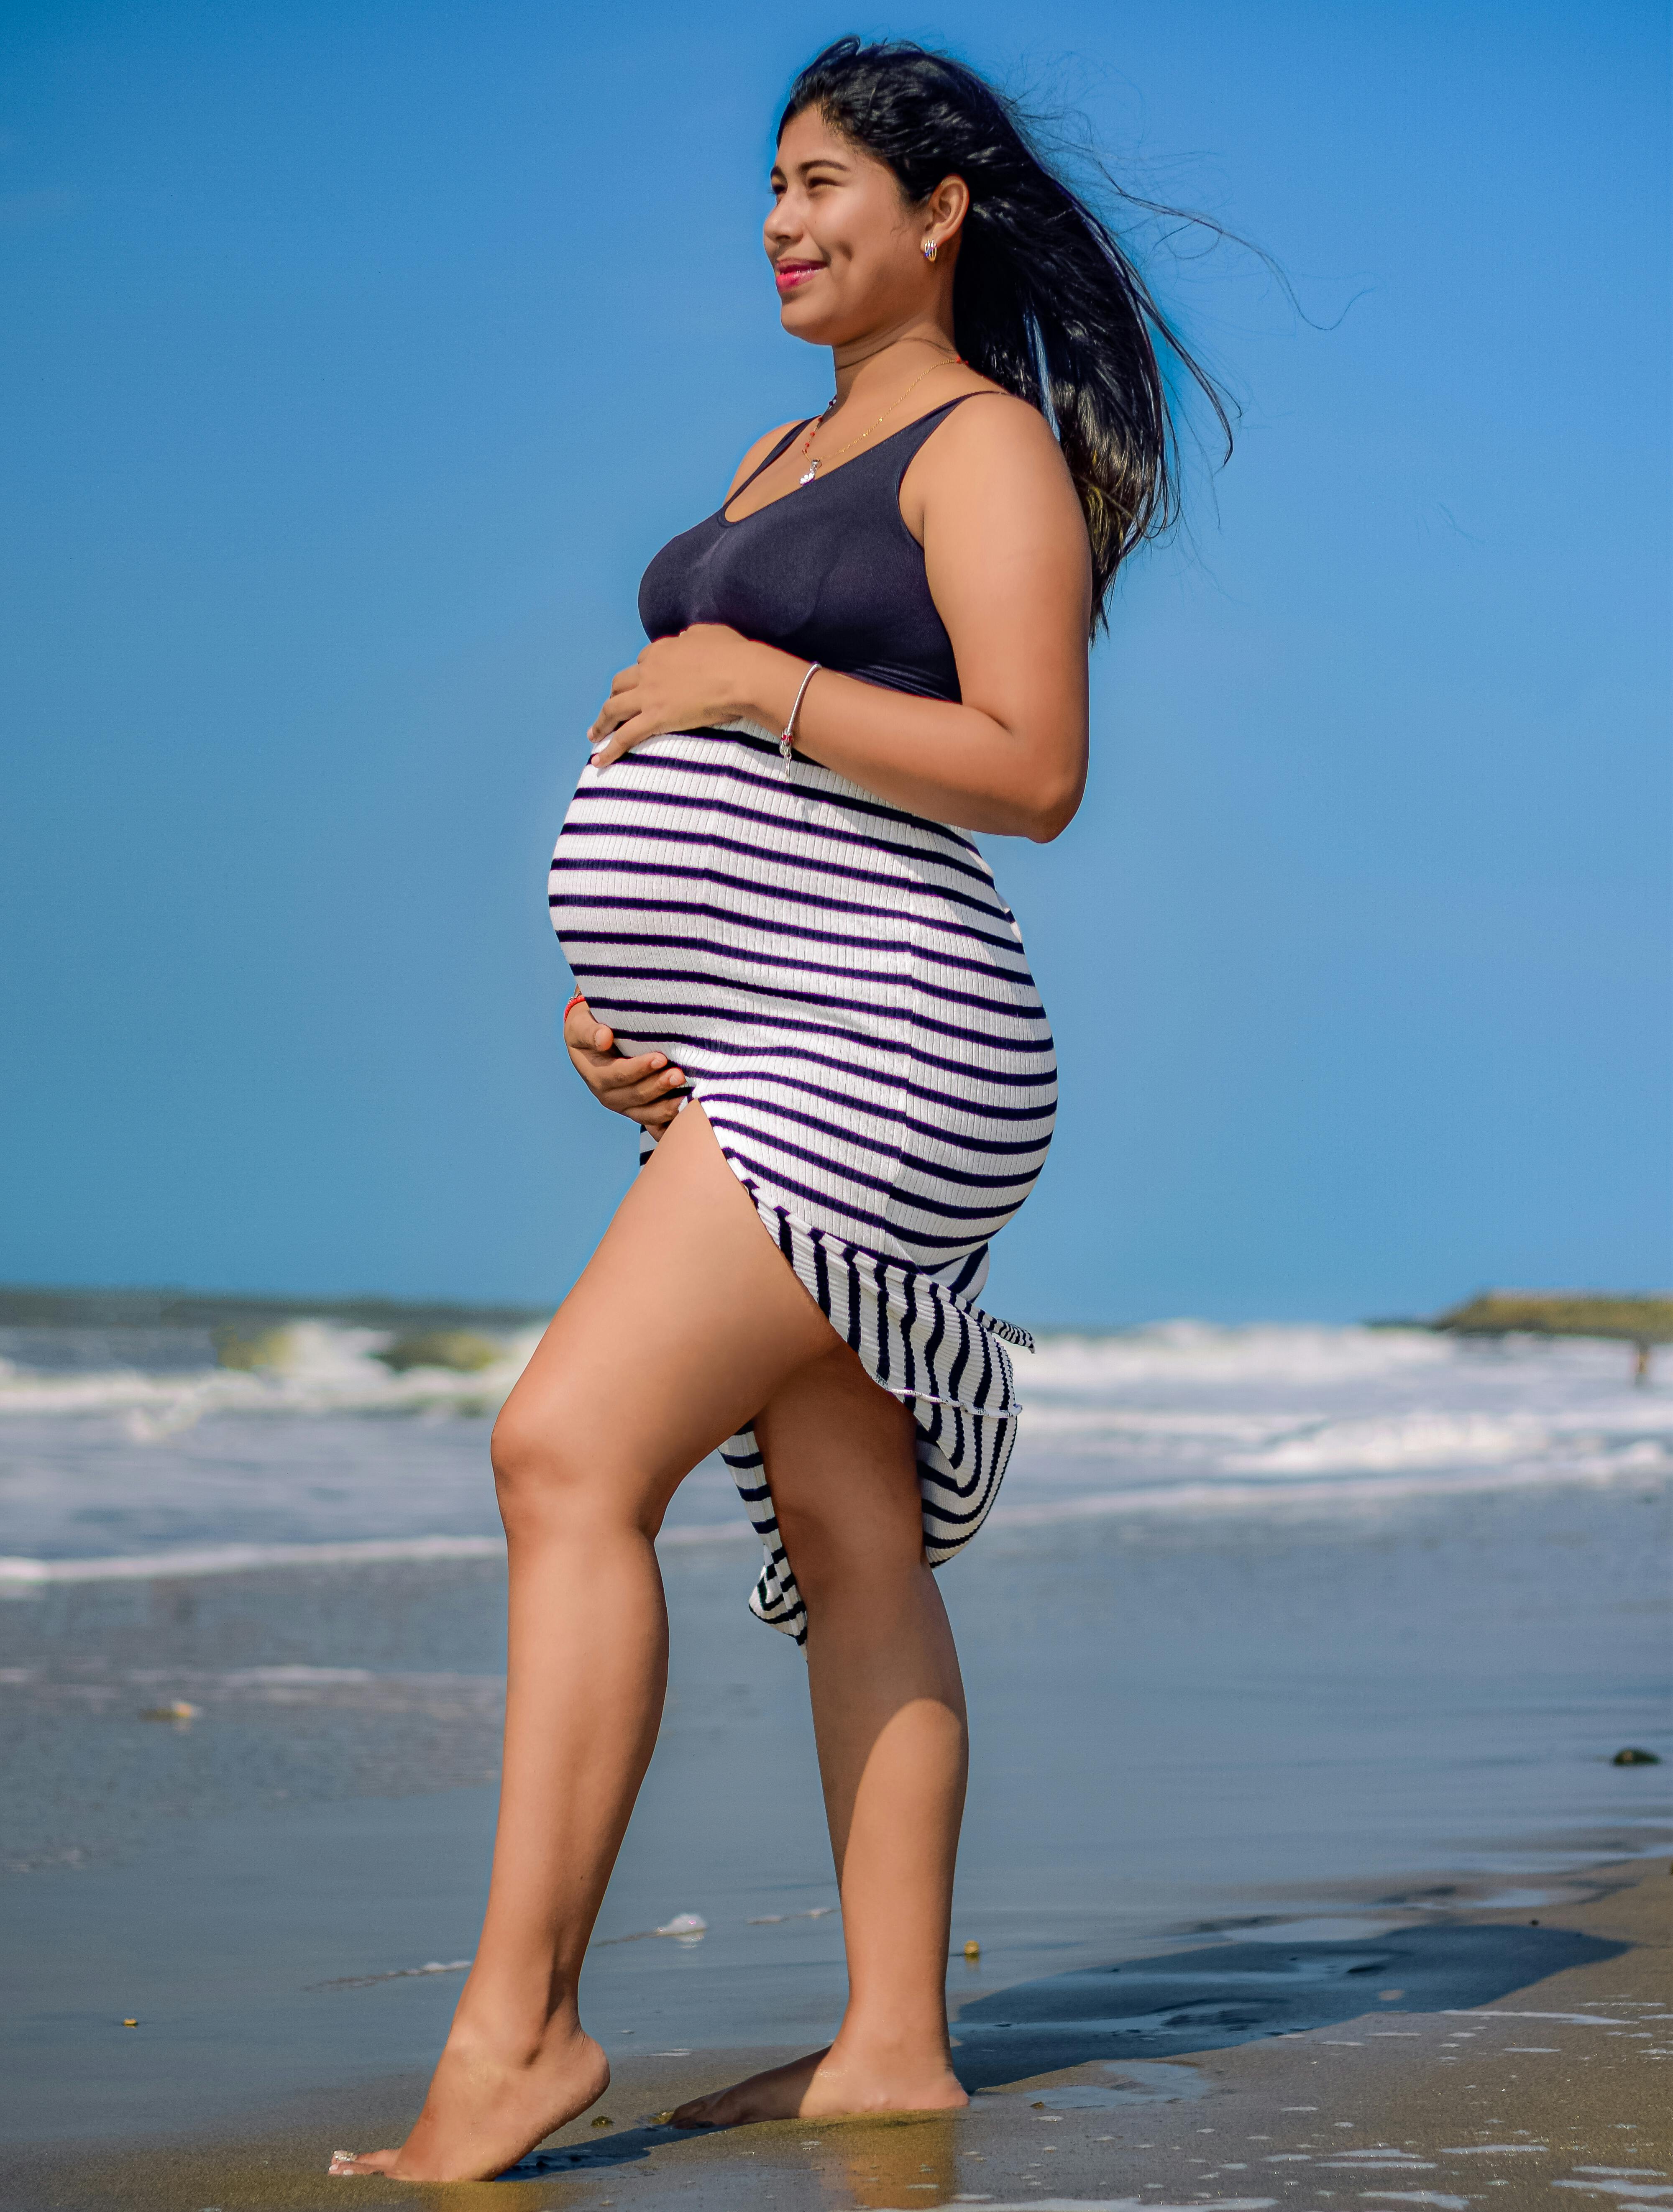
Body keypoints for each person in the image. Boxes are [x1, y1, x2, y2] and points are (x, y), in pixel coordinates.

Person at [331, 33, 1222, 2185]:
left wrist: (754, 682)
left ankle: (516, 2035)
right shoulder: (774, 446)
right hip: (760, 1053)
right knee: (844, 1531)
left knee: (560, 1448)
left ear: (941, 216)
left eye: (827, 184)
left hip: (887, 1041)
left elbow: (1032, 769)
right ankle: (895, 2048)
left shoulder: (982, 448)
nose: (784, 222)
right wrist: (619, 1005)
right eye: (769, 188)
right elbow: (740, 824)